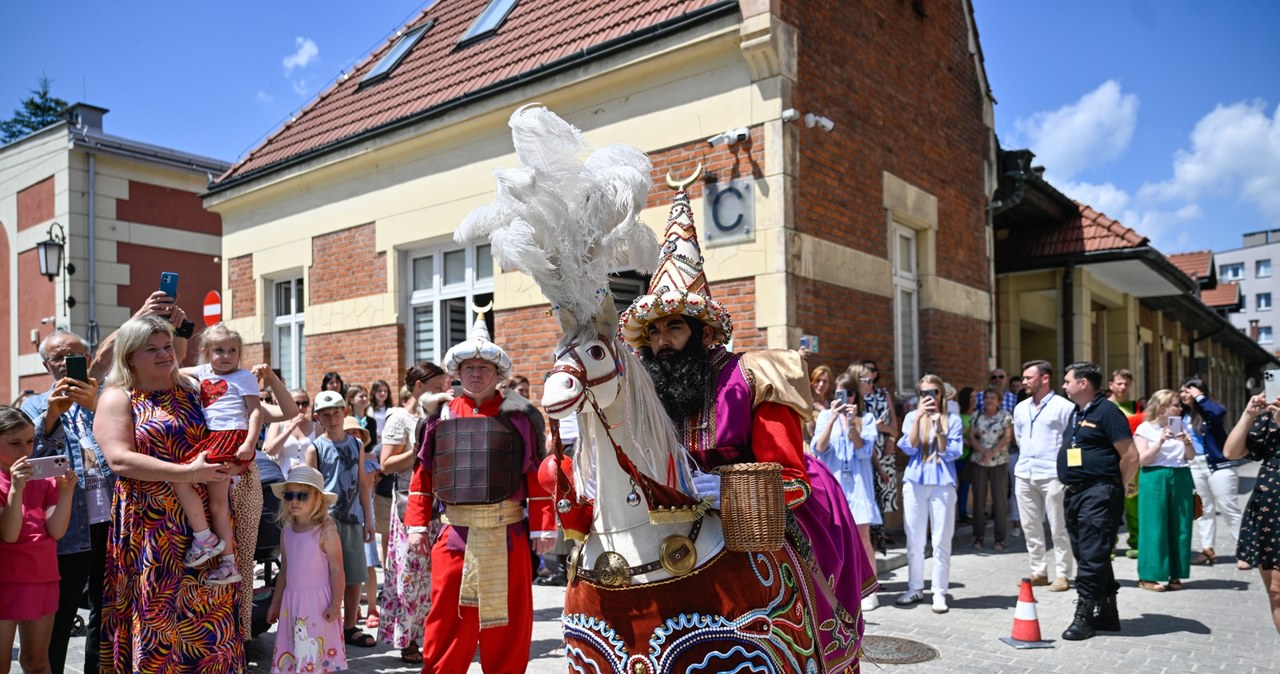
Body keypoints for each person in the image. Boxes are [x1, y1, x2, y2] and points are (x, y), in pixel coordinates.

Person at [93, 314, 245, 671]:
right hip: (152, 527)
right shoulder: (118, 397)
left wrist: (234, 458)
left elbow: (225, 429)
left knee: (212, 612)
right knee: (157, 618)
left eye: (167, 346)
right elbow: (119, 460)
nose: (165, 355)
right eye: (152, 350)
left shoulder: (193, 389)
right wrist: (186, 472)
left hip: (206, 524)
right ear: (130, 356)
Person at [404, 312, 553, 674]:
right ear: (457, 372)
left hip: (509, 537)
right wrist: (417, 525)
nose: (476, 373)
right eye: (469, 366)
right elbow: (423, 474)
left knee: (509, 623)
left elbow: (536, 473)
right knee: (447, 619)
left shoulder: (521, 417)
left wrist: (543, 528)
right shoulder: (438, 417)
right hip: (454, 536)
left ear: (498, 372)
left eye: (484, 366)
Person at [24, 330, 114, 674]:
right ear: (47, 365)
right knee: (60, 615)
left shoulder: (108, 399)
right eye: (57, 358)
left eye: (73, 356)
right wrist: (49, 417)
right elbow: (28, 462)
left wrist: (95, 406)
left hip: (112, 523)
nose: (65, 364)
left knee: (106, 612)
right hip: (67, 529)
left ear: (88, 360)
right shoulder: (34, 405)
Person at [172, 323, 263, 585]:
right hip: (213, 439)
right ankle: (227, 563)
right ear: (206, 351)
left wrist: (249, 443)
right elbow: (173, 369)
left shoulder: (244, 376)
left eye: (232, 350)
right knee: (218, 505)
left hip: (231, 438)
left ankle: (204, 539)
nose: (226, 356)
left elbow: (255, 411)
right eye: (219, 350)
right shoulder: (202, 371)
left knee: (180, 477)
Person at [1058, 361, 1137, 641]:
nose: (1064, 385)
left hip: (1100, 492)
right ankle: (1107, 612)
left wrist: (1120, 485)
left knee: (1092, 556)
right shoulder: (1076, 412)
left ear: (1084, 383)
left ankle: (1084, 616)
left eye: (1068, 381)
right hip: (1077, 492)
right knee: (1090, 553)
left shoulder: (1108, 412)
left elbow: (1130, 455)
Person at [378, 364, 449, 665]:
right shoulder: (399, 418)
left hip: (440, 504)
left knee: (436, 576)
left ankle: (433, 635)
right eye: (438, 386)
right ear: (419, 387)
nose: (445, 391)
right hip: (410, 505)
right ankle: (408, 640)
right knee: (411, 576)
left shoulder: (441, 416)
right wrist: (418, 448)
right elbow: (386, 464)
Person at [1, 405, 76, 674]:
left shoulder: (43, 478)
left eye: (30, 441)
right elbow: (9, 534)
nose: (26, 451)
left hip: (41, 576)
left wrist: (66, 493)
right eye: (15, 443)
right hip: (5, 578)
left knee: (37, 661)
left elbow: (56, 531)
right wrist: (16, 489)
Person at [305, 390, 375, 649]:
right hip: (325, 521)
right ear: (318, 418)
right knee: (325, 575)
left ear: (345, 413)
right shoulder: (315, 448)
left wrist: (369, 519)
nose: (332, 418)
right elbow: (309, 488)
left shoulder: (357, 444)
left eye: (336, 412)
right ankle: (325, 622)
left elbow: (363, 484)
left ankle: (350, 626)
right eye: (326, 414)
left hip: (354, 516)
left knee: (355, 573)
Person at [266, 465, 348, 673]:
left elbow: (337, 570)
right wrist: (275, 603)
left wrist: (336, 604)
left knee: (316, 657)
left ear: (318, 499)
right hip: (292, 602)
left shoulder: (326, 532)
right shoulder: (287, 531)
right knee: (295, 651)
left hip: (318, 604)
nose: (294, 501)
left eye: (302, 495)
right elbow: (284, 571)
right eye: (289, 495)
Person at [811, 371, 881, 611]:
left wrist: (851, 425)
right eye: (841, 393)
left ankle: (870, 590)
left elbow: (864, 451)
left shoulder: (865, 419)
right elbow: (818, 448)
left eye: (850, 393)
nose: (846, 398)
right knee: (835, 538)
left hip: (859, 484)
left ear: (856, 396)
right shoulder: (824, 416)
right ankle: (838, 588)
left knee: (863, 537)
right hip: (835, 484)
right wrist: (832, 419)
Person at [895, 374, 964, 613]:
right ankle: (915, 588)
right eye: (925, 393)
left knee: (941, 540)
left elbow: (953, 452)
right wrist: (919, 419)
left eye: (934, 392)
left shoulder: (952, 419)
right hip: (915, 481)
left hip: (942, 483)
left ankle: (939, 592)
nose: (929, 397)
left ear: (942, 394)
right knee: (914, 538)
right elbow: (907, 447)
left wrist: (938, 428)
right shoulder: (911, 417)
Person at [1012, 360, 1076, 592]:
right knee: (1030, 526)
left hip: (1053, 474)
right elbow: (1019, 438)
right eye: (1024, 378)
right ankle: (1038, 570)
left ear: (1045, 378)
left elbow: (1071, 441)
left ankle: (1063, 574)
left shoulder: (1063, 406)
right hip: (1025, 472)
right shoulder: (1020, 407)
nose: (1024, 382)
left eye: (1029, 377)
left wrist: (1069, 472)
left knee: (1059, 527)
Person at [1223, 391, 1280, 635]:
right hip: (1271, 511)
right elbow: (1231, 453)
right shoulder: (1271, 415)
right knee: (1276, 591)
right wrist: (1248, 414)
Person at [1132, 389, 1195, 592]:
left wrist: (1186, 441)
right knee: (1154, 525)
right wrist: (1160, 441)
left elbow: (1191, 456)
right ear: (1161, 408)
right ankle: (1149, 575)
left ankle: (1176, 573)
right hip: (1154, 476)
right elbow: (1142, 460)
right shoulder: (1145, 429)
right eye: (1175, 405)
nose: (1180, 408)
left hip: (1181, 475)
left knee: (1181, 526)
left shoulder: (1182, 425)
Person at [1180, 378, 1244, 568]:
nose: (1185, 394)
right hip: (1194, 465)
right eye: (1182, 391)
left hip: (1218, 466)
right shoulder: (1181, 415)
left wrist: (1199, 398)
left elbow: (1218, 413)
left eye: (1189, 390)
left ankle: (1246, 551)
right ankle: (1208, 549)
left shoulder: (1210, 411)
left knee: (1228, 508)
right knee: (1203, 509)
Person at [861, 359, 900, 550]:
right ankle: (870, 537)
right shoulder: (857, 395)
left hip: (885, 447)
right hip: (865, 448)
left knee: (884, 492)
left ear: (876, 374)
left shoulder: (883, 393)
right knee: (869, 491)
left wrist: (891, 440)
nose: (869, 373)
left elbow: (894, 426)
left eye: (872, 370)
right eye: (865, 370)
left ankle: (880, 538)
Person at [968, 385, 1013, 551]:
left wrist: (992, 452)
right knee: (979, 500)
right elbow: (971, 436)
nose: (988, 400)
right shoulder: (977, 415)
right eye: (987, 397)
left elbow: (1007, 437)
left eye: (992, 398)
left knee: (999, 500)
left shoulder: (1005, 416)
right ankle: (978, 537)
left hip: (999, 462)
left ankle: (999, 539)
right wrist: (983, 452)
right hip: (979, 461)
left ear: (999, 401)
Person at [1108, 368, 1143, 558]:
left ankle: (1136, 542)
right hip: (1111, 462)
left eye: (1126, 384)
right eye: (1119, 383)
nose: (1122, 387)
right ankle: (1109, 544)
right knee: (1110, 507)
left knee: (1133, 506)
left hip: (1133, 463)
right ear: (1111, 385)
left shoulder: (1137, 407)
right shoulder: (1104, 406)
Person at [265, 389, 316, 475]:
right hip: (283, 476)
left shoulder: (316, 427)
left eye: (304, 403)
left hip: (308, 476)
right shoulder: (277, 424)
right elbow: (270, 450)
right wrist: (291, 427)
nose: (301, 408)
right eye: (297, 403)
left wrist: (304, 465)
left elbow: (322, 456)